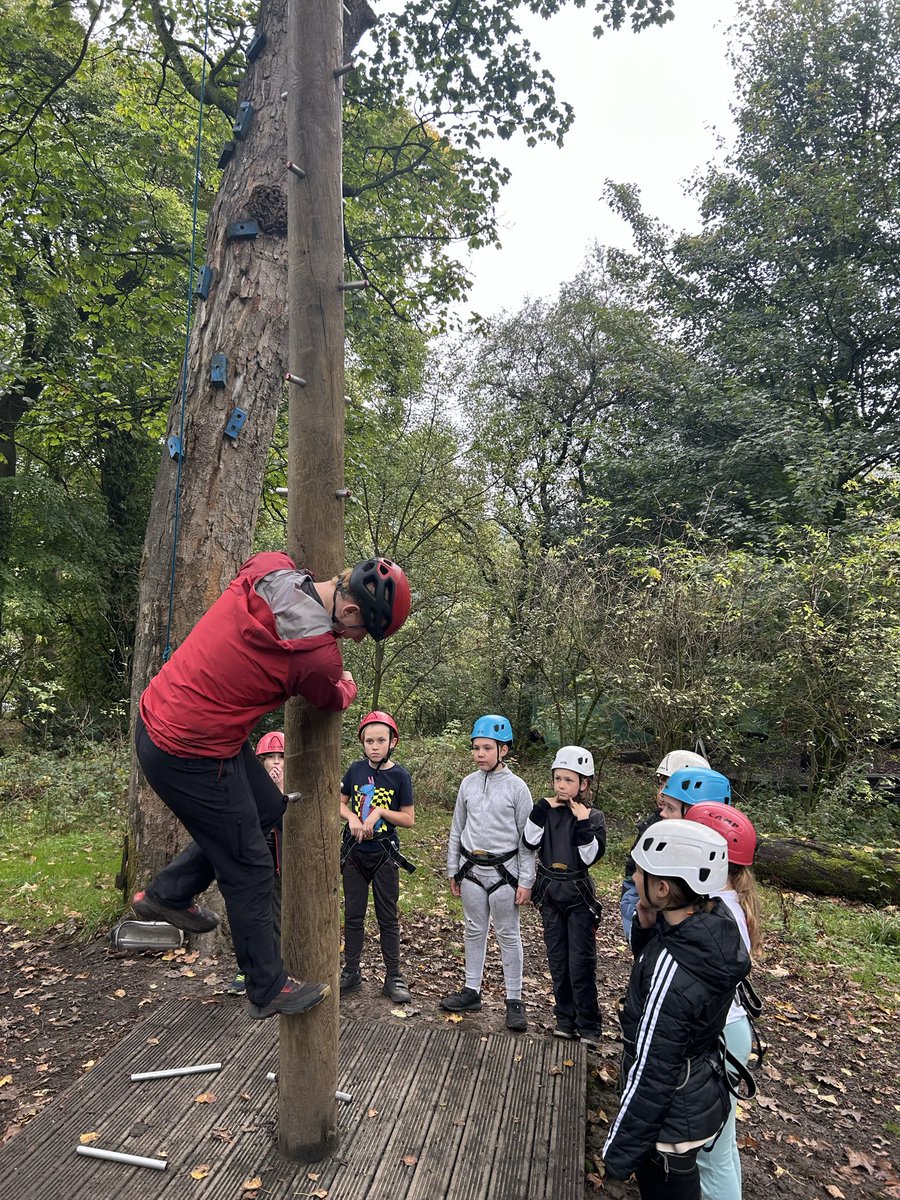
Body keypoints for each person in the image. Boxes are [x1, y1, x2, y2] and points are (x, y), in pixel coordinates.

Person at [132, 551, 411, 1020]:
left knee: (266, 809)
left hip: (166, 718)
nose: (358, 641)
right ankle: (266, 987)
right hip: (191, 754)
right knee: (252, 867)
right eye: (364, 632)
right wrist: (349, 686)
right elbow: (331, 696)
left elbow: (260, 567)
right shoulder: (318, 656)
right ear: (348, 612)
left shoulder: (268, 568)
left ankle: (169, 893)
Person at [602, 819, 751, 1199]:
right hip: (696, 1092)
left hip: (671, 1116)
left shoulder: (675, 967)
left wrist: (619, 1152)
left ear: (663, 887)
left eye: (638, 871)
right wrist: (648, 926)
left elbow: (652, 1066)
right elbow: (661, 967)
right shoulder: (711, 924)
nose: (633, 878)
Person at [684, 803, 762, 1200]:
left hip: (718, 1036)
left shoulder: (713, 913)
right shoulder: (726, 900)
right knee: (721, 1145)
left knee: (709, 1151)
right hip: (730, 1031)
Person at [441, 715, 536, 1032]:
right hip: (471, 870)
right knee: (473, 929)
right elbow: (457, 829)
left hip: (505, 872)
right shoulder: (467, 783)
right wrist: (453, 869)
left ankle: (514, 999)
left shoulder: (518, 789)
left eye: (486, 748)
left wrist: (526, 880)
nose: (479, 753)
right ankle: (472, 990)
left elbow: (527, 841)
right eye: (476, 748)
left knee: (508, 933)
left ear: (503, 750)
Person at [523, 745, 606, 1046]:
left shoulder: (593, 817)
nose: (561, 786)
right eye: (557, 779)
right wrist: (541, 808)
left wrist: (582, 822)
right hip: (550, 892)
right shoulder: (546, 811)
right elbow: (529, 841)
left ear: (583, 784)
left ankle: (589, 1025)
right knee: (557, 958)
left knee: (580, 961)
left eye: (568, 780)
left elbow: (588, 857)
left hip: (578, 895)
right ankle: (564, 1018)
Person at [339, 710, 415, 1004]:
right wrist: (351, 819)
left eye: (380, 740)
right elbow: (339, 802)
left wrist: (381, 812)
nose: (374, 746)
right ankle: (352, 972)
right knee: (354, 916)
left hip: (384, 854)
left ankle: (393, 976)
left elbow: (409, 819)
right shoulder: (355, 770)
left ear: (392, 741)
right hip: (355, 853)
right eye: (369, 740)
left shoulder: (400, 775)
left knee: (387, 917)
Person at [620, 750, 712, 937]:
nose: (662, 793)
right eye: (661, 784)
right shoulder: (654, 823)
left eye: (669, 785)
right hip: (640, 894)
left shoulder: (701, 840)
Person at [227, 731, 285, 997]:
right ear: (260, 761)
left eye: (281, 757)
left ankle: (277, 970)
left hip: (282, 866)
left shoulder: (296, 785)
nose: (276, 763)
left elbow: (292, 827)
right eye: (270, 757)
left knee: (278, 917)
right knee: (250, 917)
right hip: (254, 865)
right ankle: (246, 969)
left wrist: (281, 792)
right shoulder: (248, 785)